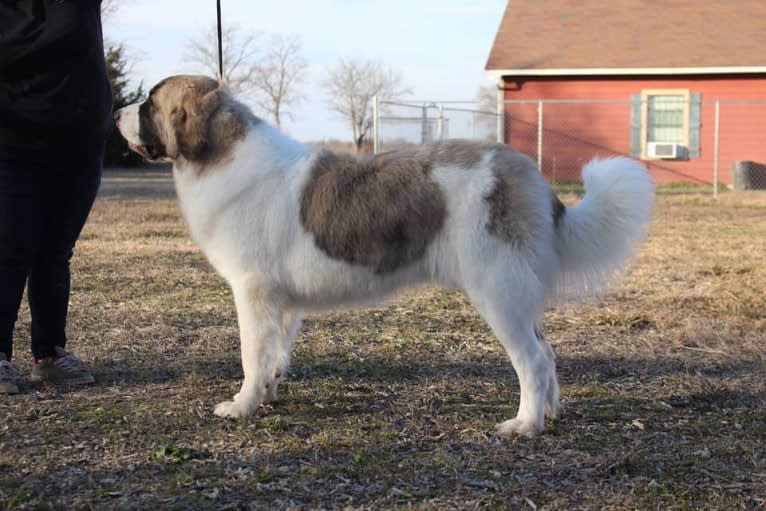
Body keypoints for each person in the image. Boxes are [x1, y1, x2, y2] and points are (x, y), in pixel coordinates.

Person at [0, 0, 113, 393]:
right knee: (10, 248)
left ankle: (50, 354)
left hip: (81, 136)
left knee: (55, 251)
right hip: (13, 138)